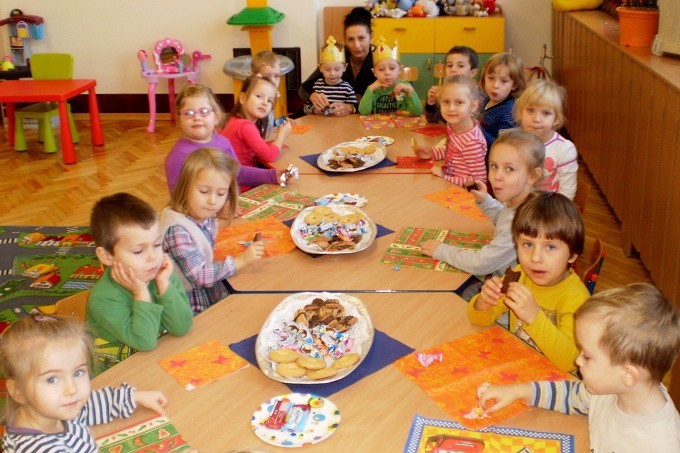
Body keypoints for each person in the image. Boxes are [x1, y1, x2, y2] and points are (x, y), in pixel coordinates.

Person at [477, 283, 680, 451]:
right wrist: (519, 391)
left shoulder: (659, 444)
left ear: (628, 375)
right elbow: (571, 396)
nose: (578, 361)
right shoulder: (610, 389)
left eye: (588, 356)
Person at [0, 314, 168, 451]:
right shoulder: (40, 448)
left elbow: (91, 406)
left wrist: (133, 397)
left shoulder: (54, 409)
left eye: (78, 372)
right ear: (17, 391)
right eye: (52, 379)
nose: (71, 389)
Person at [467, 191, 589, 372]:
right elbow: (479, 320)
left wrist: (534, 317)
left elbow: (571, 362)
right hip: (517, 365)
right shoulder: (519, 274)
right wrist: (483, 302)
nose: (535, 258)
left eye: (550, 247)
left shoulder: (576, 298)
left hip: (552, 380)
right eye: (528, 244)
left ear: (572, 255)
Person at [88, 193, 193, 372]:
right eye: (138, 251)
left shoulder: (161, 276)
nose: (153, 257)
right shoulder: (103, 299)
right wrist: (141, 293)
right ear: (107, 256)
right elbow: (144, 342)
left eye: (157, 245)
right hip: (118, 373)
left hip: (157, 360)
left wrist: (164, 285)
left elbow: (182, 327)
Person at [421, 129, 544, 277]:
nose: (497, 176)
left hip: (507, 284)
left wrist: (441, 250)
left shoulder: (521, 222)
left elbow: (481, 264)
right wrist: (485, 201)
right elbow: (503, 217)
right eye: (494, 166)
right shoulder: (523, 202)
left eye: (509, 169)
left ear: (532, 176)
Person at [161, 148, 265, 314]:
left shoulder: (203, 214)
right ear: (185, 186)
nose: (212, 201)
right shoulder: (177, 230)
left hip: (204, 289)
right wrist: (242, 260)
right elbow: (200, 277)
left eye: (221, 193)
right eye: (204, 191)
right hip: (185, 304)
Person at [165, 84, 280, 194]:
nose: (197, 117)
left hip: (233, 204)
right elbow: (178, 197)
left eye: (204, 111)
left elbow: (237, 173)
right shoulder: (178, 156)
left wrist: (273, 175)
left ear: (216, 117)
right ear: (180, 120)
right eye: (188, 113)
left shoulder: (223, 142)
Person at [299, 6, 376, 115]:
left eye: (361, 38)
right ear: (345, 40)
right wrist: (312, 95)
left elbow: (384, 100)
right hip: (335, 119)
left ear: (371, 37)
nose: (356, 45)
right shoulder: (336, 55)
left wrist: (351, 107)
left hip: (371, 118)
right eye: (350, 39)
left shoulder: (380, 60)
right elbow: (303, 89)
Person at [413, 75, 486, 187]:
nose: (451, 108)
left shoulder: (472, 142)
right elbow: (454, 152)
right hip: (448, 184)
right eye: (446, 102)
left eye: (459, 102)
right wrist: (433, 153)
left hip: (462, 191)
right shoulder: (452, 125)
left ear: (473, 106)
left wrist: (445, 177)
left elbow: (479, 182)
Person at [220, 75, 293, 181]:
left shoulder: (235, 119)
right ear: (243, 98)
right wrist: (282, 134)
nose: (264, 103)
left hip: (238, 177)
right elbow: (270, 156)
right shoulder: (245, 126)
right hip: (243, 183)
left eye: (269, 101)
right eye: (259, 96)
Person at [514, 78, 578, 200]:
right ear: (520, 113)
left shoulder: (565, 149)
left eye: (546, 113)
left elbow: (567, 194)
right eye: (530, 110)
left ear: (556, 119)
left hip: (549, 208)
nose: (536, 119)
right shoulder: (512, 141)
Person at [358, 36, 422, 116]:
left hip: (400, 123)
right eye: (381, 69)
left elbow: (417, 112)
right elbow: (363, 112)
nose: (387, 72)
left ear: (400, 70)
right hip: (378, 123)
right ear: (374, 72)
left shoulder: (405, 87)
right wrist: (370, 89)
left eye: (392, 68)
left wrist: (410, 91)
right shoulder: (373, 89)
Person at [479, 52, 526, 149]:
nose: (495, 85)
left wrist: (475, 128)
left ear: (514, 85)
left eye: (504, 81)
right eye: (491, 78)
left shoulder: (509, 113)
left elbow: (501, 146)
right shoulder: (486, 99)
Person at [303, 36, 358, 116]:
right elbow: (306, 108)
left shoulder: (347, 88)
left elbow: (354, 109)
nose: (332, 73)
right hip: (321, 121)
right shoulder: (318, 85)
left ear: (344, 68)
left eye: (337, 69)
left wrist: (349, 109)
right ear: (320, 68)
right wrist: (314, 110)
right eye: (327, 69)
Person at [425, 46, 479, 124]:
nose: (453, 69)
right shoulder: (445, 92)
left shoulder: (477, 95)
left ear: (472, 73)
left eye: (460, 66)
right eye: (449, 66)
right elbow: (432, 120)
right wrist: (431, 102)